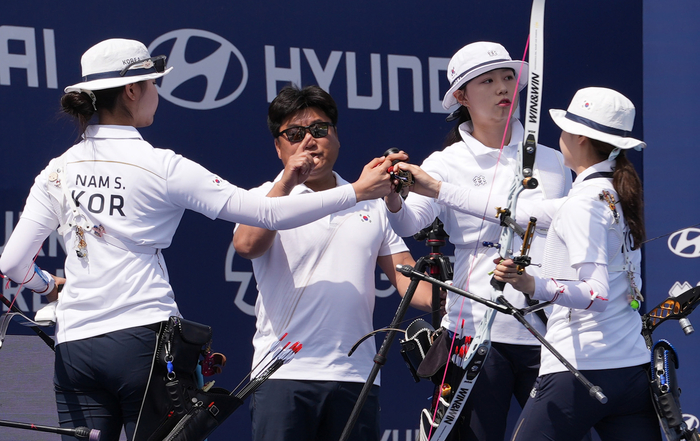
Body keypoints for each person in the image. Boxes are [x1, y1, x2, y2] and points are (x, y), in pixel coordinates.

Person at [0, 39, 401, 441]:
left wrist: (47, 286)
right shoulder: (161, 165)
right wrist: (358, 191)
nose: (156, 93)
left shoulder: (57, 169)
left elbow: (12, 264)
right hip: (143, 341)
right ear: (132, 90)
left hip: (74, 345)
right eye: (153, 83)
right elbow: (267, 213)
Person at [383, 41, 572, 440]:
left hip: (548, 327)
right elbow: (409, 222)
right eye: (487, 81)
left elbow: (571, 232)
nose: (503, 87)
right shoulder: (445, 162)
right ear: (462, 97)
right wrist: (393, 196)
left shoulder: (555, 159)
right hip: (474, 329)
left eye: (508, 78)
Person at [232, 84, 434, 441]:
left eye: (319, 129)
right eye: (295, 134)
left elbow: (412, 285)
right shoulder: (263, 198)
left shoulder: (370, 203)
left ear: (336, 136)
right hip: (283, 374)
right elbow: (247, 245)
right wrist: (287, 183)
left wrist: (466, 289)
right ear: (278, 147)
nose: (309, 141)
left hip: (355, 376)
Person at [492, 87, 660, 441]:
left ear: (580, 137)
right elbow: (512, 211)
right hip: (631, 370)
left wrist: (530, 284)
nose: (561, 135)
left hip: (581, 369)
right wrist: (437, 189)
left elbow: (595, 294)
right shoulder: (611, 193)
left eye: (565, 128)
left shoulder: (585, 203)